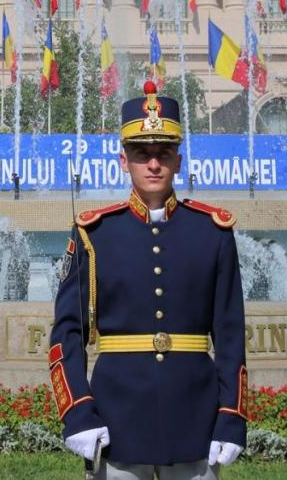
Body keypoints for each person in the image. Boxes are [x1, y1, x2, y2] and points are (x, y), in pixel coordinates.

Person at [48, 81, 247, 479]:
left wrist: (231, 414)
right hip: (116, 422)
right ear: (124, 160)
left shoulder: (213, 233)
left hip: (196, 418)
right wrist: (77, 410)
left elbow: (230, 336)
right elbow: (66, 334)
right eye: (142, 153)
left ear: (178, 159)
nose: (153, 164)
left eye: (163, 152)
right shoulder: (94, 234)